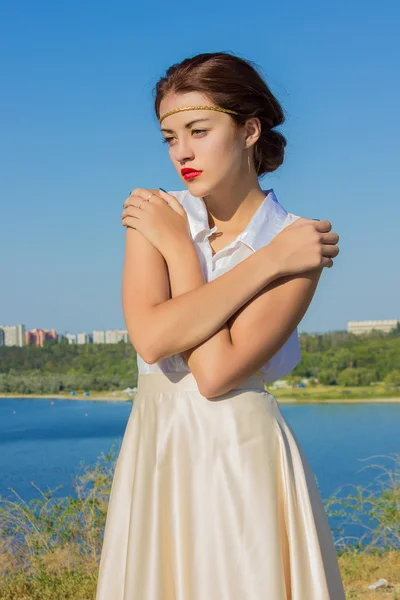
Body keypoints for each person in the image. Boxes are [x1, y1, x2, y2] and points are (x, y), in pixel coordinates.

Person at [96, 52, 345, 599]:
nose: (181, 152)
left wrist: (184, 258)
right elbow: (153, 338)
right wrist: (267, 261)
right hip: (157, 451)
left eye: (198, 130)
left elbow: (215, 372)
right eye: (168, 137)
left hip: (241, 457)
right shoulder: (159, 213)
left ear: (249, 129)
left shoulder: (297, 238)